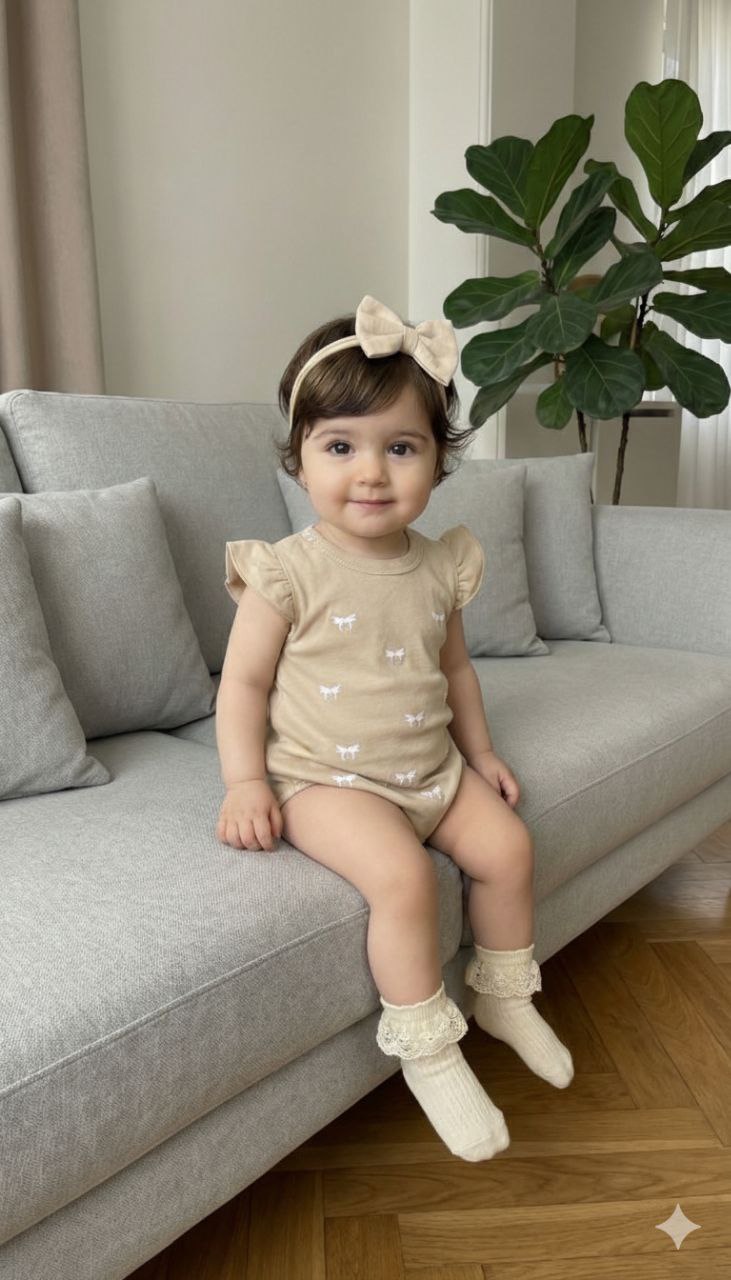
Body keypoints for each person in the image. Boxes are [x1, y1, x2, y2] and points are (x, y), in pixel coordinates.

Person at [215, 295, 573, 1163]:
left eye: (400, 448)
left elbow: (455, 671)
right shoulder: (285, 572)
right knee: (404, 880)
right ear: (300, 459)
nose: (371, 473)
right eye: (340, 447)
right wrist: (245, 782)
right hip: (324, 781)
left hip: (431, 770)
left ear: (438, 463)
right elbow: (244, 684)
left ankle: (504, 996)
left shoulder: (440, 565)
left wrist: (478, 754)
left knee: (507, 848)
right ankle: (428, 1050)